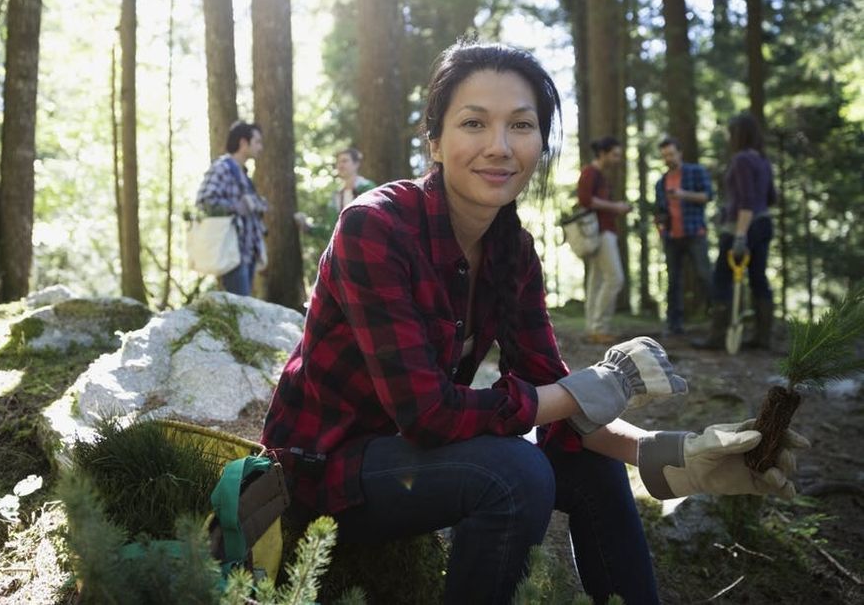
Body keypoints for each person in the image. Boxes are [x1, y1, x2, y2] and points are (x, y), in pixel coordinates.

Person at [261, 41, 805, 604]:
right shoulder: (374, 227)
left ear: (540, 143)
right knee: (515, 472)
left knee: (589, 470)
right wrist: (582, 391)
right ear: (435, 140)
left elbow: (556, 395)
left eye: (521, 125)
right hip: (321, 473)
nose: (499, 147)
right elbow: (427, 415)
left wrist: (674, 455)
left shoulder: (512, 252)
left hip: (417, 466)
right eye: (474, 122)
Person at [695, 113, 777, 351]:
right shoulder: (762, 160)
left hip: (741, 228)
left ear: (738, 135)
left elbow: (747, 202)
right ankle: (763, 338)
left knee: (722, 279)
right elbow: (770, 197)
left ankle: (718, 337)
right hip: (763, 224)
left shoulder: (741, 160)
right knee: (759, 279)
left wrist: (740, 235)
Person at [195, 121, 268, 296]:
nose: (260, 147)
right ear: (243, 143)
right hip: (232, 252)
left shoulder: (242, 173)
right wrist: (235, 207)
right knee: (239, 307)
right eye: (257, 141)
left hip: (247, 252)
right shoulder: (222, 168)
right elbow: (204, 201)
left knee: (243, 306)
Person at [654, 136, 713, 336]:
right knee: (674, 282)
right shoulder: (661, 182)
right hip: (672, 237)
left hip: (695, 232)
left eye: (671, 154)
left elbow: (707, 196)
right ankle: (674, 325)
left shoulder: (696, 172)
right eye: (664, 156)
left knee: (705, 276)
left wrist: (683, 194)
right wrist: (661, 227)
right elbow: (659, 210)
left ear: (680, 152)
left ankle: (717, 319)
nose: (668, 158)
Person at [577, 136, 633, 344]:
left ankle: (594, 328)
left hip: (604, 230)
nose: (617, 159)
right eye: (615, 154)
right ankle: (599, 327)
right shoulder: (590, 172)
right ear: (603, 153)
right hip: (599, 232)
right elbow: (585, 200)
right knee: (614, 278)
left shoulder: (599, 174)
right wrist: (616, 207)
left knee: (598, 279)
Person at [294, 147, 377, 236]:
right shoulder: (337, 195)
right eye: (338, 162)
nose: (340, 165)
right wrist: (308, 228)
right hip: (342, 248)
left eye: (345, 161)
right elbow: (332, 231)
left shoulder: (368, 188)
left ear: (356, 164)